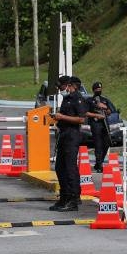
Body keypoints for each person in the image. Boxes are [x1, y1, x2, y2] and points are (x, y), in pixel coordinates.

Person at [49, 76, 88, 212]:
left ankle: (73, 199)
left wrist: (62, 117)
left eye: (61, 87)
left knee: (69, 168)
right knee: (60, 167)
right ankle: (64, 197)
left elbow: (81, 119)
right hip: (64, 134)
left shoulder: (78, 98)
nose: (61, 90)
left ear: (70, 85)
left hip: (72, 135)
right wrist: (57, 118)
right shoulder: (66, 99)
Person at [85, 81, 117, 173]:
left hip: (105, 124)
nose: (99, 90)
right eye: (97, 89)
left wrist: (105, 108)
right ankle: (99, 165)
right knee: (98, 145)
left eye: (100, 89)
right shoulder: (89, 101)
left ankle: (99, 162)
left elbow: (111, 111)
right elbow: (86, 113)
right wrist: (96, 115)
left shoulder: (105, 100)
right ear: (94, 90)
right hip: (95, 124)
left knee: (106, 143)